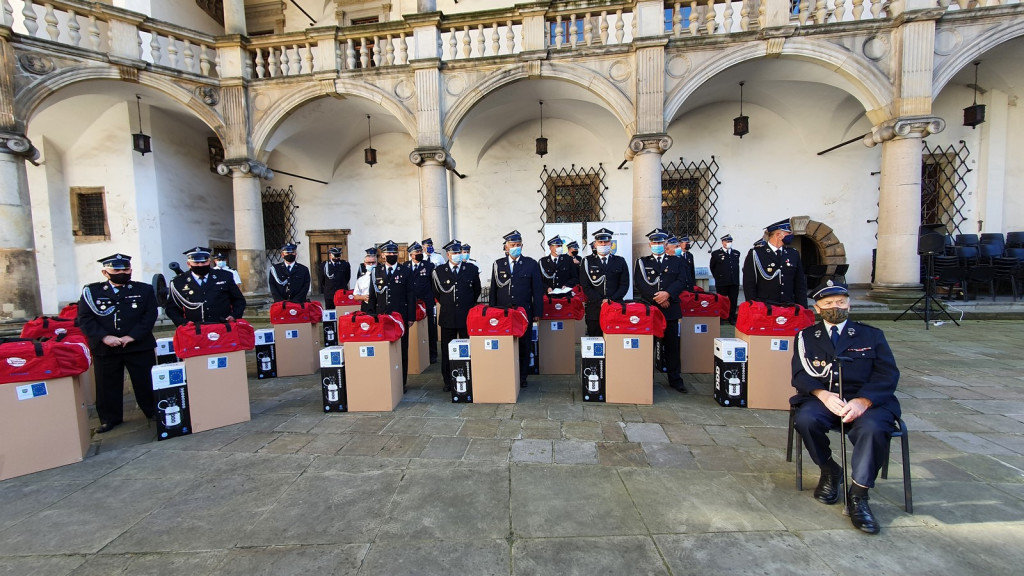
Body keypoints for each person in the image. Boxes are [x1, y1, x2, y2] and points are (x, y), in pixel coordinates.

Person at [791, 281, 900, 535]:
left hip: (866, 402)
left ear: (849, 303)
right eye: (828, 303)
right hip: (825, 400)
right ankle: (829, 469)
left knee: (874, 428)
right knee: (806, 419)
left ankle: (859, 495)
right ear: (817, 308)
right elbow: (799, 375)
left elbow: (887, 375)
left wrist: (863, 401)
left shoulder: (871, 335)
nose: (835, 307)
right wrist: (823, 394)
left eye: (840, 301)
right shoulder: (806, 337)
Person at [77, 254, 158, 434]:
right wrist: (105, 337)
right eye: (117, 270)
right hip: (106, 346)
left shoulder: (143, 290)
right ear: (105, 272)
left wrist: (133, 336)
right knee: (107, 385)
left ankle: (152, 411)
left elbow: (149, 315)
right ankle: (109, 418)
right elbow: (85, 319)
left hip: (138, 344)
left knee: (145, 381)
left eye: (126, 269)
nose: (122, 272)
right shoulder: (92, 292)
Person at [633, 228, 690, 393]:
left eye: (660, 242)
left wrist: (668, 295)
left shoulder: (677, 262)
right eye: (654, 242)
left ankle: (675, 379)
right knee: (647, 346)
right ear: (650, 244)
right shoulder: (643, 262)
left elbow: (681, 281)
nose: (657, 245)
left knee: (672, 346)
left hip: (670, 309)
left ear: (666, 244)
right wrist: (658, 299)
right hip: (651, 310)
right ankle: (646, 378)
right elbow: (640, 284)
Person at [488, 229, 544, 388]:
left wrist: (537, 312)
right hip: (502, 312)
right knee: (505, 343)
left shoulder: (531, 263)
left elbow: (537, 290)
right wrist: (492, 310)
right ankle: (506, 372)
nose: (516, 247)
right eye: (512, 245)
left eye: (518, 245)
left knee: (524, 344)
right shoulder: (498, 264)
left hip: (523, 312)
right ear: (506, 247)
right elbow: (493, 289)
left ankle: (522, 376)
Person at [433, 240, 482, 391]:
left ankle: (470, 376)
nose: (457, 255)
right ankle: (448, 380)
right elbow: (437, 293)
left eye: (459, 252)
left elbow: (477, 290)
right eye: (454, 253)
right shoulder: (439, 271)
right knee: (447, 350)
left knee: (468, 348)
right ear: (447, 255)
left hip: (466, 316)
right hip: (448, 317)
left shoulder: (471, 269)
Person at [368, 240, 416, 390]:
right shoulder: (376, 271)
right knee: (383, 349)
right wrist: (370, 315)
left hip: (399, 316)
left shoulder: (406, 271)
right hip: (381, 316)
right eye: (389, 253)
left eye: (394, 253)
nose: (392, 255)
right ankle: (384, 380)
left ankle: (401, 382)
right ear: (382, 255)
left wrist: (410, 317)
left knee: (401, 350)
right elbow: (372, 295)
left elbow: (411, 295)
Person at [166, 247, 246, 326]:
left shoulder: (225, 276)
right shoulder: (179, 281)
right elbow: (172, 308)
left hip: (222, 326)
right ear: (189, 264)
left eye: (204, 262)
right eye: (196, 263)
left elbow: (239, 300)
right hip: (194, 329)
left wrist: (234, 316)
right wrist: (183, 323)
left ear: (209, 262)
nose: (200, 265)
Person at [743, 218, 807, 307]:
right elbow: (749, 284)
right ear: (778, 235)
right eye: (788, 233)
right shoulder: (756, 253)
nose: (791, 235)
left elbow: (800, 284)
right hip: (765, 306)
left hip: (788, 305)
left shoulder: (793, 253)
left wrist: (803, 308)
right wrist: (752, 307)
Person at [579, 227, 629, 336]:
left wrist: (611, 301)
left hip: (615, 307)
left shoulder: (620, 261)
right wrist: (601, 301)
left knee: (615, 341)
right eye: (600, 242)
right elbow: (585, 284)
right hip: (595, 308)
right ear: (595, 244)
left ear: (611, 244)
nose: (603, 244)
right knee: (595, 342)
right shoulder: (587, 261)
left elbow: (624, 284)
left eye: (606, 242)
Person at [406, 241, 438, 363]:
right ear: (411, 255)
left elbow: (433, 284)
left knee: (430, 328)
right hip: (411, 302)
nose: (419, 254)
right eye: (416, 252)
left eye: (420, 251)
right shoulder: (405, 266)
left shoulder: (429, 266)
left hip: (426, 301)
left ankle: (432, 353)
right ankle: (414, 353)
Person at [710, 234, 741, 324]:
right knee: (721, 300)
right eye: (727, 241)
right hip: (722, 282)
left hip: (733, 281)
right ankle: (721, 317)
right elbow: (713, 267)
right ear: (723, 242)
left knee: (733, 301)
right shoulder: (716, 254)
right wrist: (718, 277)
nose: (729, 243)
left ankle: (731, 318)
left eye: (730, 241)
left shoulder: (736, 253)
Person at [353, 247, 377, 314]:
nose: (371, 265)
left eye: (373, 262)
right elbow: (355, 296)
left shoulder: (383, 276)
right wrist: (363, 297)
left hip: (379, 306)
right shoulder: (361, 279)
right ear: (364, 264)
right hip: (366, 305)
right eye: (369, 263)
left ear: (377, 263)